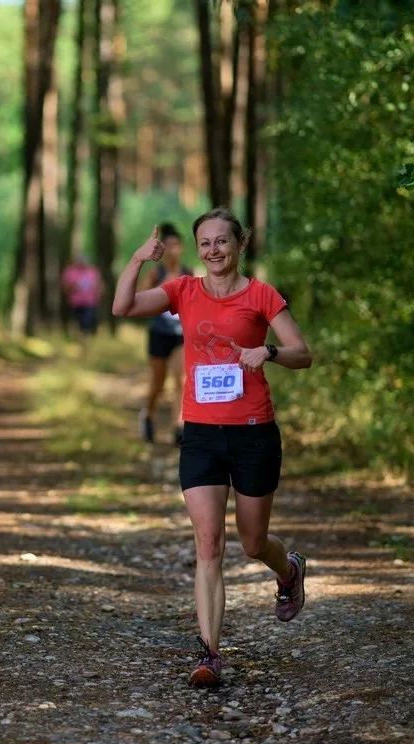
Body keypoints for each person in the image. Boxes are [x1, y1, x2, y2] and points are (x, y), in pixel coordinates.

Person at [112, 209, 313, 688]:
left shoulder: (262, 295)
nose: (213, 251)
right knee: (209, 545)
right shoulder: (183, 291)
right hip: (200, 433)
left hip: (253, 432)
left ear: (238, 244)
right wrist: (138, 260)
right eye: (205, 243)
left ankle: (288, 569)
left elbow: (303, 353)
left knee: (251, 541)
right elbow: (122, 307)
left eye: (222, 241)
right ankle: (209, 653)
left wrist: (269, 352)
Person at [138, 223, 192, 445]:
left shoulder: (189, 274)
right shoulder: (155, 273)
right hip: (159, 333)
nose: (172, 249)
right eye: (167, 245)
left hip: (181, 334)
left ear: (181, 248)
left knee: (181, 379)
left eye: (175, 245)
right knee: (158, 383)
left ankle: (178, 426)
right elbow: (138, 299)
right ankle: (148, 415)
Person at [61, 254, 103, 345]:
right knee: (78, 321)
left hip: (90, 302)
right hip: (75, 302)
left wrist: (99, 296)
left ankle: (85, 339)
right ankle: (78, 339)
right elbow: (65, 287)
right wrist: (73, 287)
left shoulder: (93, 272)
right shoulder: (70, 272)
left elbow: (99, 285)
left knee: (87, 320)